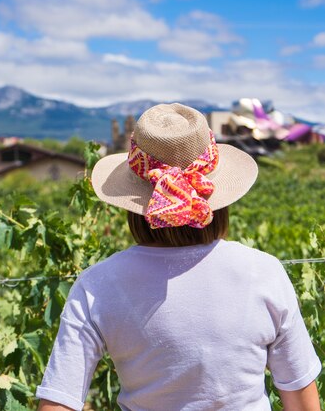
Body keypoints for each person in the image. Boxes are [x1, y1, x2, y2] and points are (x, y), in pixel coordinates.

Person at [36, 103, 322, 411]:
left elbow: (57, 403)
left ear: (136, 209)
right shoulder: (263, 273)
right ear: (219, 199)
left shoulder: (98, 285)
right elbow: (301, 401)